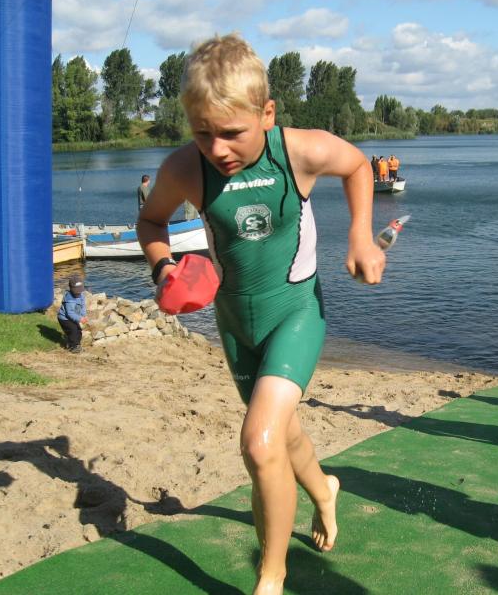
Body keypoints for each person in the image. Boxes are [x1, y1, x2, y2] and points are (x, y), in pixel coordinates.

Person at [136, 33, 386, 595]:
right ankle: (324, 489)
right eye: (203, 133)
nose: (217, 148)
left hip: (296, 311)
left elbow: (357, 166)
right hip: (233, 324)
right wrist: (163, 269)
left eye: (232, 132)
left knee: (258, 442)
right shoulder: (185, 168)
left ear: (267, 114)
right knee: (280, 435)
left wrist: (361, 236)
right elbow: (151, 222)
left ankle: (270, 579)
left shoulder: (298, 152)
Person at [57, 274, 87, 353]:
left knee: (78, 330)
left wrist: (83, 315)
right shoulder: (69, 299)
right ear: (71, 289)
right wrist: (79, 318)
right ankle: (73, 347)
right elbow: (69, 313)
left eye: (80, 291)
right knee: (73, 330)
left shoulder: (81, 295)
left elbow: (83, 305)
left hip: (74, 317)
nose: (78, 294)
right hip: (64, 318)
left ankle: (76, 344)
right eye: (76, 292)